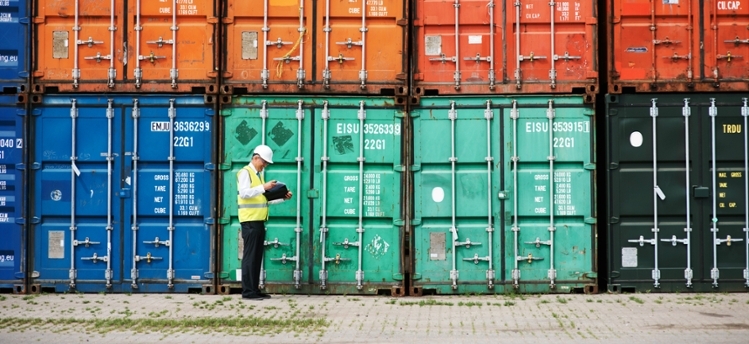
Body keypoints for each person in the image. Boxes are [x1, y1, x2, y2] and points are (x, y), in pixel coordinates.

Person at [237, 144, 292, 300]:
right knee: (250, 257)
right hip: (249, 221)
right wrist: (264, 187)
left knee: (256, 258)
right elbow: (244, 193)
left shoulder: (258, 176)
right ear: (255, 158)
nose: (265, 165)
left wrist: (282, 197)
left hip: (258, 221)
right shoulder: (245, 173)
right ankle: (248, 292)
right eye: (264, 162)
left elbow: (264, 201)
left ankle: (254, 290)